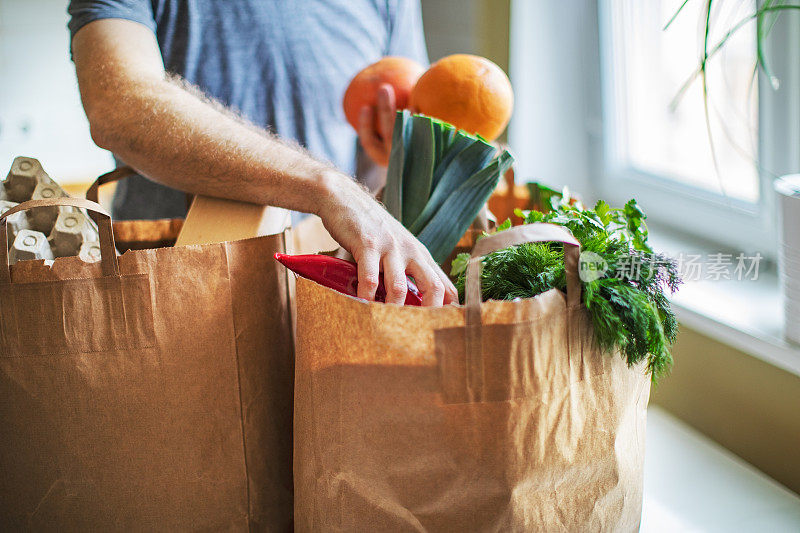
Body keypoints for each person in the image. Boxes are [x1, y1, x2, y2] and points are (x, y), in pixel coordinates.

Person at [68, 0, 457, 306]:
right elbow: (118, 103)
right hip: (171, 293)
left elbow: (375, 178)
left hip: (331, 294)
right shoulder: (331, 189)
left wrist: (389, 161)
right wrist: (328, 187)